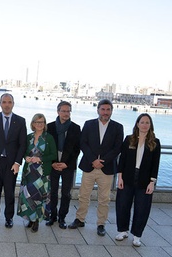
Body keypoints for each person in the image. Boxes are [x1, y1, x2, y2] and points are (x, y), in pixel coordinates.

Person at [68, 99, 123, 236]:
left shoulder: (118, 127)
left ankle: (101, 224)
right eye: (103, 109)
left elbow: (117, 148)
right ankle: (80, 219)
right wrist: (93, 160)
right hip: (89, 166)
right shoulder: (88, 124)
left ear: (111, 111)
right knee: (83, 195)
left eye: (108, 110)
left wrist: (102, 161)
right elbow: (83, 143)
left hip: (107, 168)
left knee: (104, 198)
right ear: (97, 110)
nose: (105, 112)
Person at [115, 113, 160, 247]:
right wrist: (120, 177)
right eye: (142, 122)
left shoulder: (155, 142)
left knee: (142, 208)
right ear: (137, 124)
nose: (145, 125)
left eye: (147, 122)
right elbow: (122, 160)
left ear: (150, 125)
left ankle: (137, 235)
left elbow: (155, 163)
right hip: (128, 177)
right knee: (123, 205)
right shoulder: (129, 140)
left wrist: (152, 182)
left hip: (145, 180)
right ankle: (123, 230)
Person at [0, 93, 27, 228]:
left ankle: (9, 218)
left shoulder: (20, 121)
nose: (7, 105)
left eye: (9, 102)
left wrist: (17, 163)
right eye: (4, 102)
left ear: (13, 104)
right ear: (0, 103)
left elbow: (23, 144)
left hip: (11, 164)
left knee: (9, 193)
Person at [17, 113, 56, 232]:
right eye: (37, 122)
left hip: (41, 173)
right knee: (28, 197)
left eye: (42, 122)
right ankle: (30, 218)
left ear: (44, 124)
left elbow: (53, 155)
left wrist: (40, 159)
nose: (39, 124)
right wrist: (25, 157)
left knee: (38, 197)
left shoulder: (49, 138)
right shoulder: (29, 137)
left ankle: (37, 221)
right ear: (33, 124)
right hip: (29, 172)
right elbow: (22, 151)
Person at [46, 101, 81, 229]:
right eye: (63, 111)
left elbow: (77, 150)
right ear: (58, 111)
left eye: (68, 111)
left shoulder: (75, 128)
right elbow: (47, 148)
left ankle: (62, 218)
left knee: (66, 193)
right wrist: (53, 163)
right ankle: (52, 216)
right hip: (53, 165)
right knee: (53, 192)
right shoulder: (49, 127)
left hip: (68, 167)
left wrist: (66, 164)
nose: (66, 114)